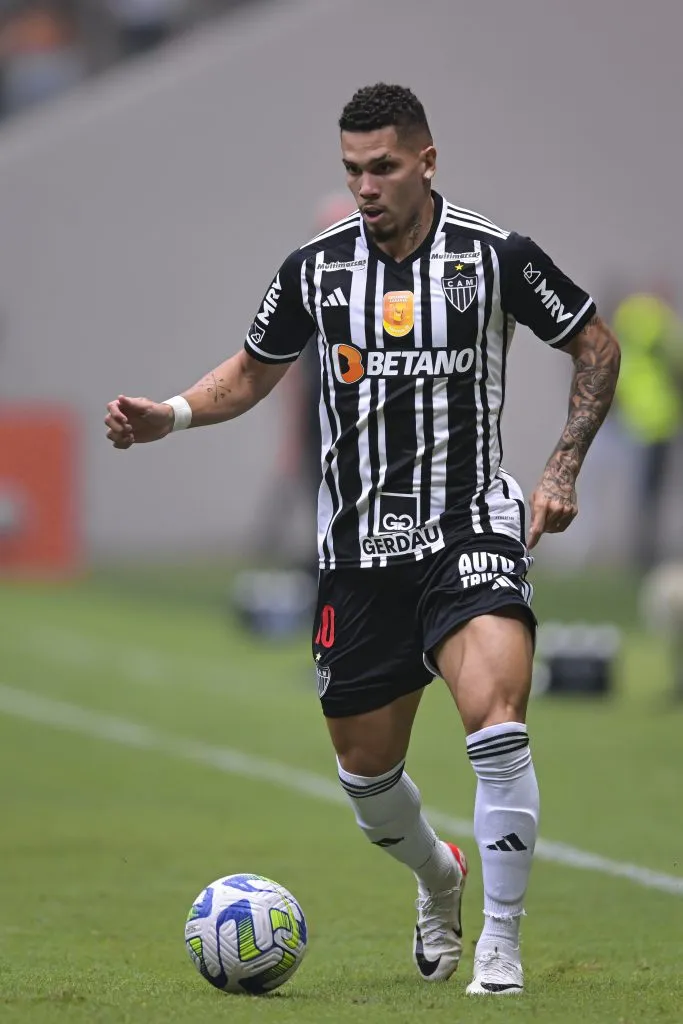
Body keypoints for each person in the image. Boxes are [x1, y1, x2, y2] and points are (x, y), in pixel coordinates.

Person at [105, 83, 620, 995]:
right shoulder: (314, 268)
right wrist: (171, 416)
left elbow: (595, 344)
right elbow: (254, 373)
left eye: (382, 167)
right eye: (352, 170)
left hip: (468, 526)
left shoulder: (494, 256)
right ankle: (439, 877)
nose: (365, 185)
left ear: (426, 161)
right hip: (355, 555)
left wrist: (560, 469)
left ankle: (500, 945)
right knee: (366, 781)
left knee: (495, 723)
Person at [611, 288, 683, 571]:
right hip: (654, 425)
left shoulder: (629, 331)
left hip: (645, 424)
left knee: (647, 494)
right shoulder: (657, 329)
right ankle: (644, 552)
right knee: (649, 494)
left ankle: (644, 551)